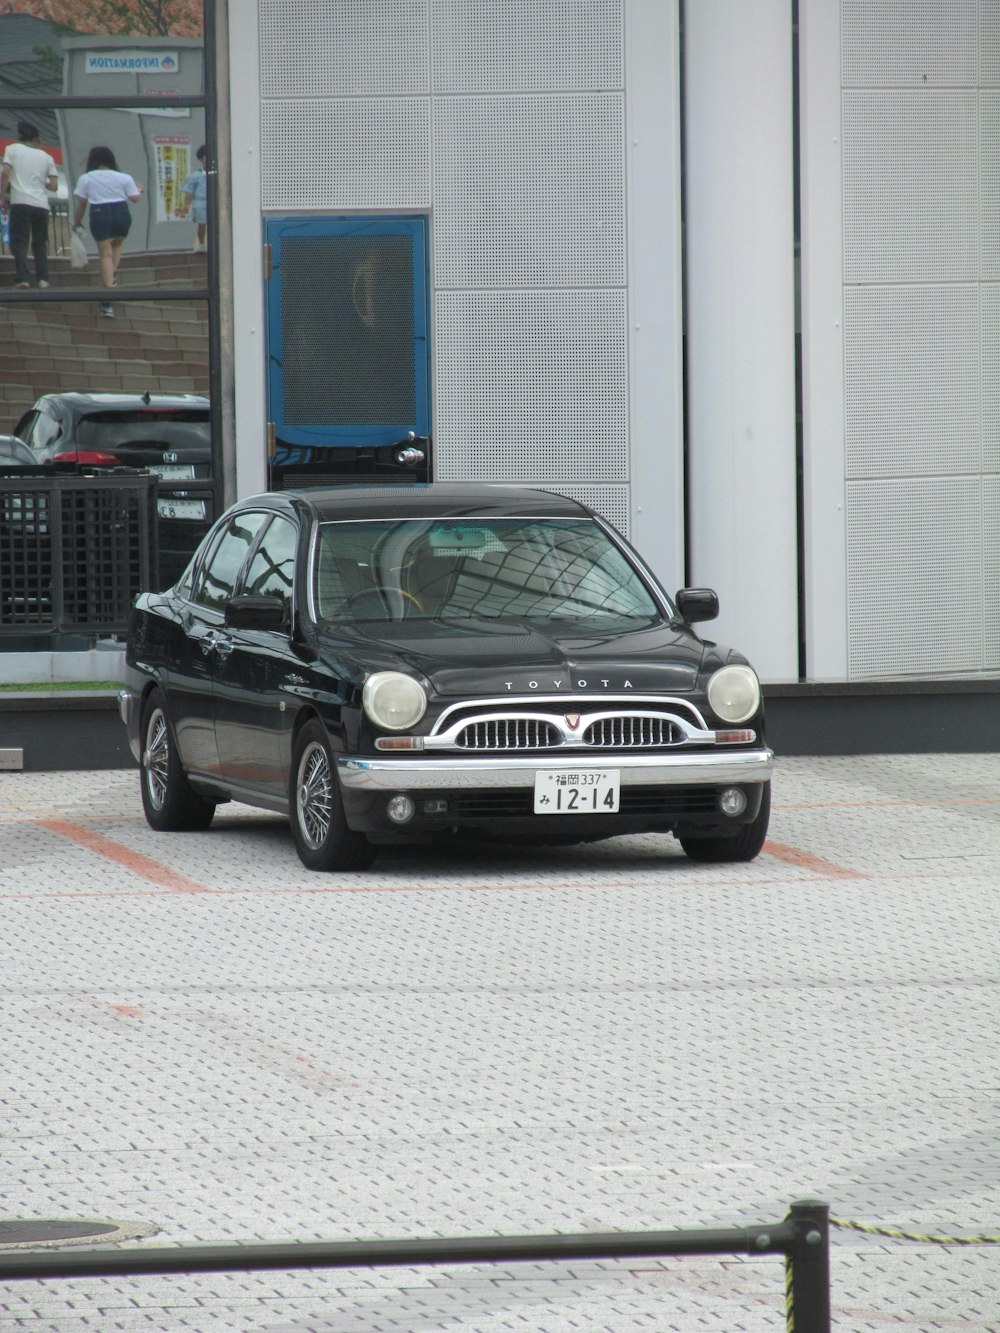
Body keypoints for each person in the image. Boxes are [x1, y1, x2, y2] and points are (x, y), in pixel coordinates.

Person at [72, 146, 143, 317]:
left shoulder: (86, 178)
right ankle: (111, 279)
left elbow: (82, 204)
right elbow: (135, 199)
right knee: (117, 247)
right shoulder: (124, 177)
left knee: (105, 255)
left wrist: (77, 222)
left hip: (99, 213)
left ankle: (107, 298)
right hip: (121, 213)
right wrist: (139, 189)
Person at [1, 120, 58, 289]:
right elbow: (54, 186)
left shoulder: (12, 150)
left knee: (20, 241)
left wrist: (2, 197)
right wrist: (42, 184)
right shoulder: (47, 157)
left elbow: (5, 173)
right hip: (41, 204)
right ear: (36, 139)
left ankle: (23, 278)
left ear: (20, 135)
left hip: (21, 202)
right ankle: (43, 279)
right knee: (40, 242)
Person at [181, 144, 207, 252]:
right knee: (202, 223)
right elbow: (189, 192)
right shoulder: (195, 175)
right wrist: (186, 206)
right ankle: (201, 243)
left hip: (214, 202)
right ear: (201, 159)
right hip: (200, 202)